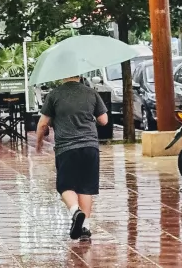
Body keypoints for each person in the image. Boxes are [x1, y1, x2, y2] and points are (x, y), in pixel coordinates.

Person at [36, 75, 108, 242]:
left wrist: (39, 143)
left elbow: (42, 124)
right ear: (79, 75)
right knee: (86, 187)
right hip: (90, 147)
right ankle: (85, 228)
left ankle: (76, 211)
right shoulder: (91, 93)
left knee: (65, 186)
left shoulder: (54, 95)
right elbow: (103, 120)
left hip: (66, 148)